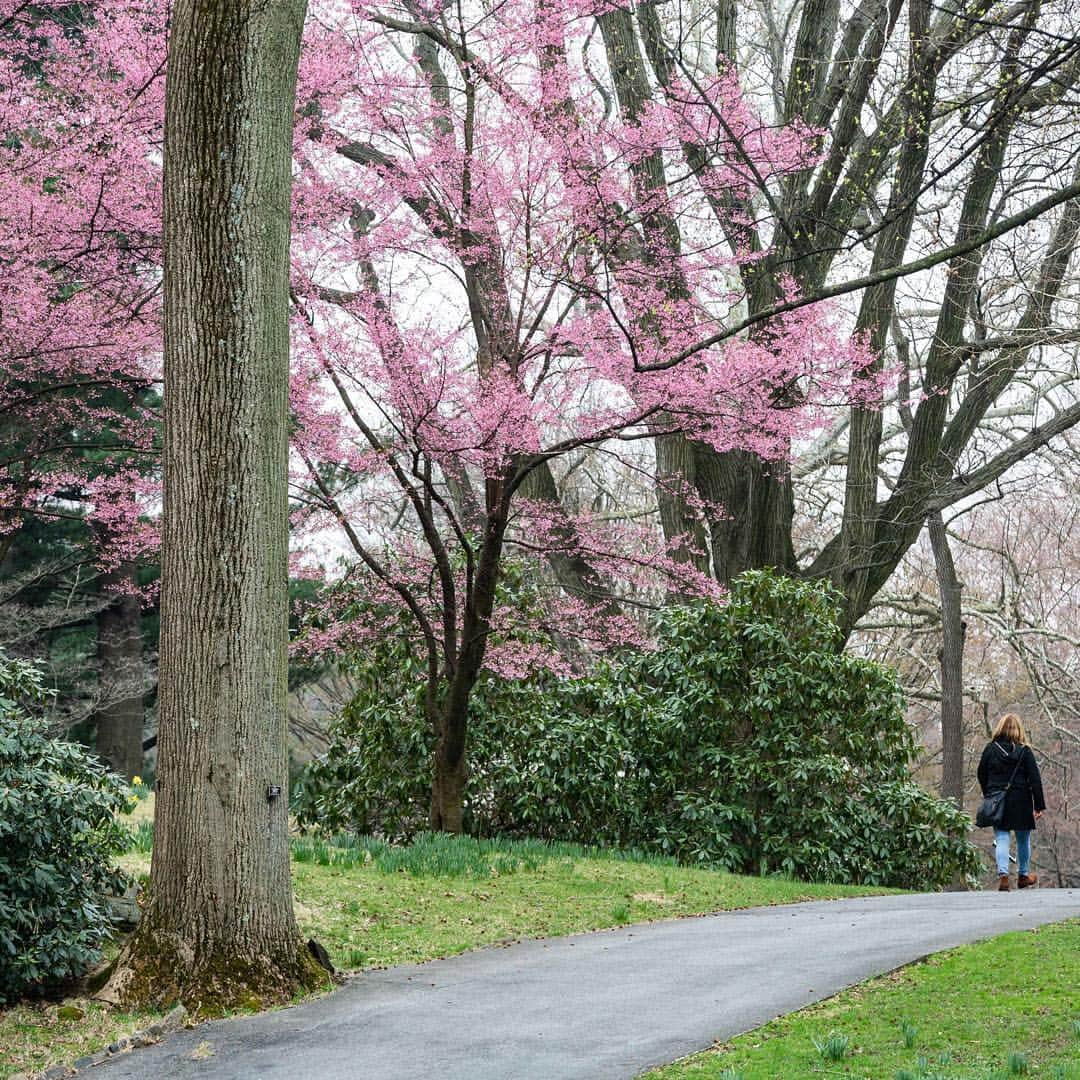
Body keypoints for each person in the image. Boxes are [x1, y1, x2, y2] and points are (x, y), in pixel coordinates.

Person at [976, 713, 1046, 891]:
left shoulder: (990, 749)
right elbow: (1035, 779)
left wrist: (989, 794)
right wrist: (1039, 805)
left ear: (1000, 728)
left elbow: (981, 773)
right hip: (1021, 800)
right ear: (1018, 730)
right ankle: (1023, 876)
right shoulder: (1024, 751)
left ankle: (1004, 877)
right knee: (1023, 839)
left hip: (998, 800)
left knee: (1001, 838)